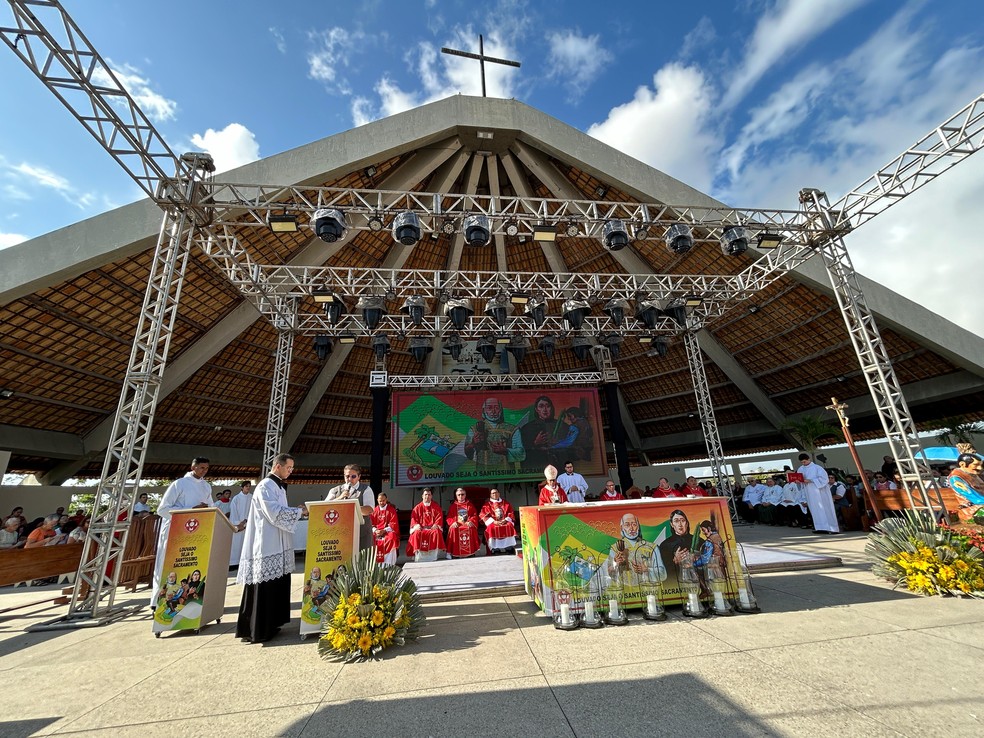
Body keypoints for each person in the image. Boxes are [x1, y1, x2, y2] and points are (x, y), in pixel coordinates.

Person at [236, 453, 308, 644]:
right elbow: (274, 512)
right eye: (288, 468)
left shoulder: (278, 486)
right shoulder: (266, 485)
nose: (290, 471)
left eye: (292, 468)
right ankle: (258, 629)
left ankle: (273, 624)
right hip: (266, 543)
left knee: (277, 581)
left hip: (277, 542)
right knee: (264, 584)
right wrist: (300, 511)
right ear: (277, 466)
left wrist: (296, 510)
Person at [149, 457, 213, 609]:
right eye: (201, 468)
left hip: (196, 533)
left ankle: (186, 599)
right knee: (167, 566)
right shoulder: (179, 484)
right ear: (193, 467)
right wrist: (191, 511)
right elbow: (162, 509)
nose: (204, 471)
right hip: (175, 531)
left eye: (206, 468)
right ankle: (157, 602)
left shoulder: (206, 486)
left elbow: (211, 507)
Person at [602, 512, 666, 593]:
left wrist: (646, 570)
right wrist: (616, 564)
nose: (631, 528)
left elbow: (663, 574)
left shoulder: (652, 548)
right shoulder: (615, 549)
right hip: (625, 595)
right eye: (627, 525)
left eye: (634, 524)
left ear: (638, 526)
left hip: (648, 593)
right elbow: (607, 575)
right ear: (622, 528)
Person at [464, 397, 526, 473]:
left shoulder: (512, 429)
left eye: (496, 408)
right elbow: (467, 454)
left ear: (501, 410)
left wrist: (506, 450)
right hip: (483, 475)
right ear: (484, 410)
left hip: (506, 475)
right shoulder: (474, 429)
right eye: (489, 408)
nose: (493, 411)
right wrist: (473, 444)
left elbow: (521, 453)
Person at [798, 453, 839, 534]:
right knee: (815, 510)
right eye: (802, 462)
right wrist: (798, 481)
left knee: (825, 509)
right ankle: (820, 527)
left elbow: (824, 479)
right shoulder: (800, 469)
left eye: (805, 462)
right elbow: (800, 481)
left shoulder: (817, 468)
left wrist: (811, 480)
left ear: (809, 459)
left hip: (820, 492)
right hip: (809, 492)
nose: (803, 464)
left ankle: (832, 528)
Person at [520, 395, 561, 471]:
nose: (545, 409)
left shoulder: (561, 426)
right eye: (541, 406)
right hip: (535, 467)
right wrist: (535, 443)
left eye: (547, 406)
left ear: (551, 408)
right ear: (536, 409)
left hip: (557, 467)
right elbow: (521, 451)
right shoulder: (527, 428)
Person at [659, 509, 696, 588]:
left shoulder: (698, 541)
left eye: (682, 520)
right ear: (672, 524)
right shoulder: (665, 545)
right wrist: (675, 561)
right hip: (675, 586)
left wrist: (696, 558)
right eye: (676, 521)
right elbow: (662, 571)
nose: (680, 524)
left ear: (687, 523)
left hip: (695, 583)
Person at [406, 488, 445, 561]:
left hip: (432, 528)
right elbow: (414, 519)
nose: (427, 496)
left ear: (431, 496)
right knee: (416, 533)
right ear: (422, 496)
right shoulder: (417, 508)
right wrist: (416, 525)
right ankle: (418, 556)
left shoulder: (436, 507)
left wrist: (436, 524)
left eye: (429, 495)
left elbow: (439, 517)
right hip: (421, 528)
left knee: (436, 532)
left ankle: (433, 556)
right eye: (425, 495)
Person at [948, 453, 984, 522]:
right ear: (962, 464)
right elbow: (972, 496)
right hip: (971, 510)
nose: (980, 468)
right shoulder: (956, 478)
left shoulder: (974, 474)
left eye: (980, 465)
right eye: (976, 465)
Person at [445, 488, 481, 558]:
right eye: (459, 495)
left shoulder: (470, 505)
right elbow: (449, 517)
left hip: (467, 524)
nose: (461, 496)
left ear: (465, 495)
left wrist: (471, 521)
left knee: (471, 528)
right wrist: (453, 522)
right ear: (456, 496)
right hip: (457, 524)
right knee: (453, 529)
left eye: (462, 494)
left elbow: (474, 515)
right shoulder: (453, 506)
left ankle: (471, 552)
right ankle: (455, 552)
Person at [480, 488, 517, 555]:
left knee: (509, 525)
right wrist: (493, 522)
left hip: (504, 521)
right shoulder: (487, 505)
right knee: (491, 528)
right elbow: (483, 515)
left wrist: (506, 520)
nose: (495, 494)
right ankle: (495, 549)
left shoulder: (505, 503)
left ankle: (509, 547)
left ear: (499, 494)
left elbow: (510, 513)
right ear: (490, 495)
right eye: (493, 493)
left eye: (496, 492)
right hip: (493, 522)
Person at [370, 492, 400, 565]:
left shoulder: (391, 510)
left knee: (392, 538)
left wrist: (384, 530)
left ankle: (388, 563)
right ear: (377, 500)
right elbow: (370, 524)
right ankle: (375, 564)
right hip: (376, 532)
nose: (382, 502)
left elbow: (394, 524)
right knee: (370, 539)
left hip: (387, 531)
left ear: (386, 500)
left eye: (383, 500)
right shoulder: (374, 510)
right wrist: (376, 530)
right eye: (380, 501)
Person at [228, 480, 253, 567]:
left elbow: (252, 510)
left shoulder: (251, 497)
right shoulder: (236, 498)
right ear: (242, 487)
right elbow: (234, 511)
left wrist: (245, 521)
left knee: (247, 543)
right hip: (238, 525)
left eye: (249, 486)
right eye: (246, 486)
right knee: (236, 544)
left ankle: (246, 562)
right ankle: (234, 563)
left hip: (248, 524)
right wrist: (238, 524)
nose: (248, 488)